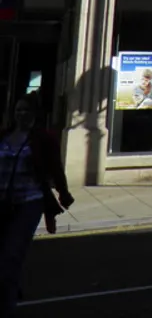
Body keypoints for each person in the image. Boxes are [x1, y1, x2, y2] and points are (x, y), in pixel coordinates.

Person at [0, 94, 72, 315]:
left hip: (29, 202)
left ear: (34, 114)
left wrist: (63, 193)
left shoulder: (43, 139)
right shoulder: (4, 136)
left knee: (12, 254)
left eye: (26, 110)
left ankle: (7, 302)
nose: (21, 114)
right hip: (3, 202)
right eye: (18, 110)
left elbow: (55, 169)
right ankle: (9, 286)